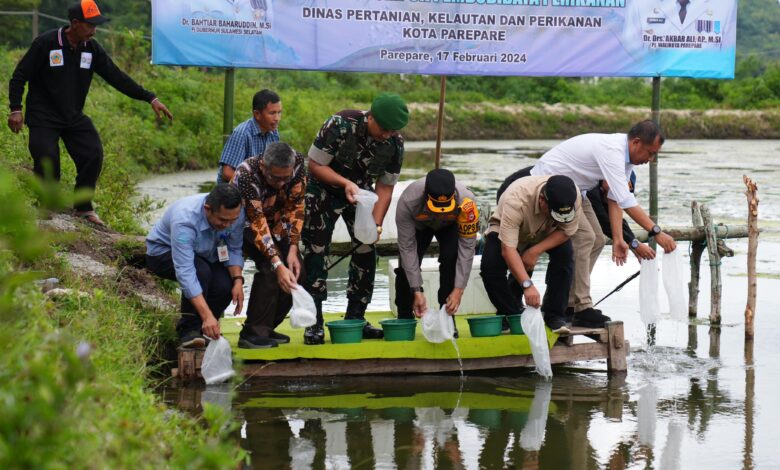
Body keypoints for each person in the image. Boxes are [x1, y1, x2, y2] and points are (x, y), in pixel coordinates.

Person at [7, 0, 173, 226]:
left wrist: (150, 97)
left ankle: (83, 207)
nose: (95, 30)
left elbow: (116, 76)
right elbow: (19, 76)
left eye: (97, 25)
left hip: (73, 115)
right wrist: (16, 109)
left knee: (93, 154)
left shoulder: (91, 49)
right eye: (90, 25)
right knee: (48, 160)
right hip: (43, 116)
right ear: (75, 23)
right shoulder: (45, 44)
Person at [529, 120, 677, 328]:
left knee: (597, 239)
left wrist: (618, 239)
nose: (651, 159)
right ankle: (582, 307)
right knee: (585, 237)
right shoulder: (612, 152)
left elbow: (615, 198)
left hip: (577, 190)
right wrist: (655, 231)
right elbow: (627, 202)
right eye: (650, 153)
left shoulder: (627, 159)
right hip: (550, 184)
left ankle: (571, 303)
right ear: (636, 143)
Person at [301, 93, 409, 345]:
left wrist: (377, 223)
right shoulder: (339, 124)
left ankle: (355, 318)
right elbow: (315, 165)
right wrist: (344, 183)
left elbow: (385, 186)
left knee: (366, 248)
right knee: (315, 250)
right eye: (383, 129)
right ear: (370, 116)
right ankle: (313, 322)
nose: (386, 135)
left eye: (392, 132)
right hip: (323, 190)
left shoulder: (395, 144)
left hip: (361, 196)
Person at [146, 184, 245, 348]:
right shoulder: (185, 219)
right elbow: (186, 271)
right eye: (222, 220)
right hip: (163, 253)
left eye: (232, 221)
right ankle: (189, 330)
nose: (228, 225)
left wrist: (238, 280)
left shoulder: (236, 213)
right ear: (207, 209)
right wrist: (206, 315)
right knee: (201, 272)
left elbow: (233, 248)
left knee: (225, 284)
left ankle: (208, 329)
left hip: (206, 254)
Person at [480, 175, 582, 333]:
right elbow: (508, 250)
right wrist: (527, 285)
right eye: (553, 211)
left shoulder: (572, 197)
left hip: (549, 230)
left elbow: (566, 231)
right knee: (490, 267)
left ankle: (554, 315)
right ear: (542, 199)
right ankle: (510, 313)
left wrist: (535, 251)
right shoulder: (516, 200)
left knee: (565, 256)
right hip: (509, 228)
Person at [232, 142, 306, 349]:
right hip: (245, 224)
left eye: (286, 178)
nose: (282, 183)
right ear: (264, 167)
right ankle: (251, 333)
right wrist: (277, 263)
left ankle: (267, 327)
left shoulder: (298, 163)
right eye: (275, 178)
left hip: (276, 222)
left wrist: (292, 248)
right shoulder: (246, 173)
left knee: (297, 269)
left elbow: (296, 207)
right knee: (272, 269)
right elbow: (257, 223)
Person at [394, 169, 479, 327]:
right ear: (426, 197)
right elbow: (407, 248)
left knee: (451, 257)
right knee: (406, 263)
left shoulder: (467, 203)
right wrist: (416, 290)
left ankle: (446, 315)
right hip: (420, 226)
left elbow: (467, 248)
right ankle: (404, 316)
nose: (440, 214)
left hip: (451, 226)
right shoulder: (407, 201)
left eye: (445, 207)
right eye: (436, 208)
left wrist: (459, 289)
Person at [621, 0, 737, 54]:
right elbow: (630, 45)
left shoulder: (726, 4)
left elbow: (727, 51)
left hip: (705, 84)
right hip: (653, 81)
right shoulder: (640, 3)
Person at [586, 172, 655, 262]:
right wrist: (634, 244)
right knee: (596, 240)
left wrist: (634, 246)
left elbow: (616, 220)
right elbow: (603, 219)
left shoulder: (606, 189)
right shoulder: (592, 184)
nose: (618, 197)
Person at [217, 89, 282, 183]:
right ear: (257, 114)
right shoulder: (242, 134)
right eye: (272, 113)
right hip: (235, 190)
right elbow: (227, 173)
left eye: (279, 112)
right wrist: (255, 184)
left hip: (260, 185)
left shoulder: (274, 132)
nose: (277, 118)